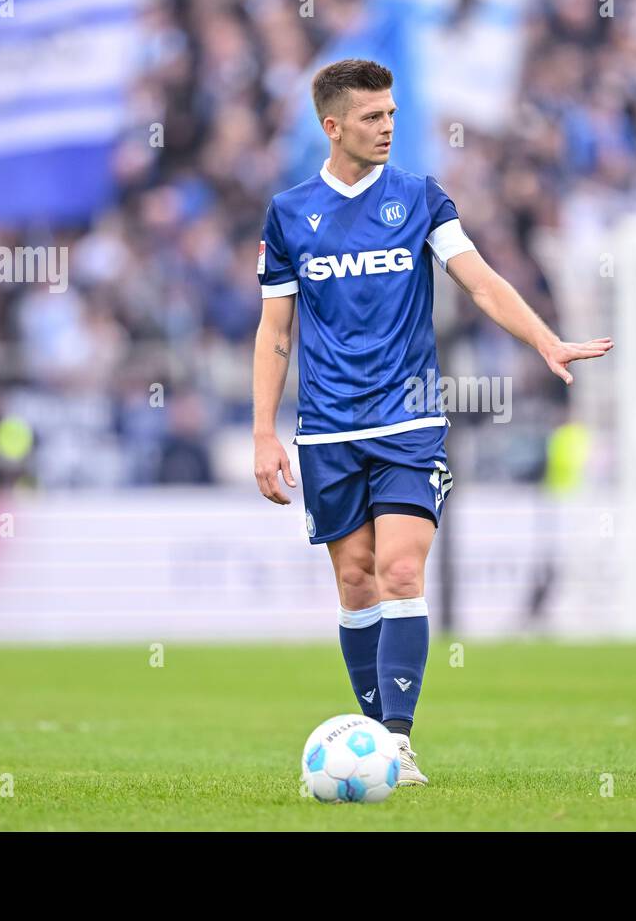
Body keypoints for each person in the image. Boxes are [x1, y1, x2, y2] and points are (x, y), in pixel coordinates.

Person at [250, 59, 612, 785]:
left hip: (410, 420)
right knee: (355, 581)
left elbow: (479, 281)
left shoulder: (419, 198)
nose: (388, 127)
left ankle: (396, 739)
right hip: (327, 429)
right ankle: (377, 737)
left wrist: (543, 337)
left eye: (391, 113)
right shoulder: (290, 214)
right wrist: (263, 431)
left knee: (401, 568)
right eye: (372, 117)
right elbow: (275, 331)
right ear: (333, 126)